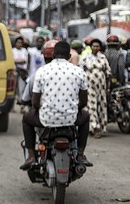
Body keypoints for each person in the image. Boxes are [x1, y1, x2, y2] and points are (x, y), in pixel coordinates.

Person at [20, 41, 92, 170]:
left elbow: (35, 102)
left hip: (46, 120)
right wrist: (74, 109)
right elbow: (84, 102)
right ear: (69, 56)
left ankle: (31, 156)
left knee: (26, 118)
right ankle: (80, 154)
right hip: (72, 119)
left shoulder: (41, 71)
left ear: (53, 55)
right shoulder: (79, 71)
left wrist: (42, 109)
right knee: (86, 117)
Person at [80, 38, 111, 138]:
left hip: (102, 86)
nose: (95, 48)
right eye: (94, 46)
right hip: (89, 86)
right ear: (91, 47)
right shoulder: (85, 57)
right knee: (91, 106)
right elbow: (80, 71)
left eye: (97, 46)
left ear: (99, 48)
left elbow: (108, 72)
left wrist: (108, 86)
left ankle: (102, 127)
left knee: (102, 106)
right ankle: (94, 127)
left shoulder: (103, 57)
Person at [12, 36, 28, 106]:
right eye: (18, 42)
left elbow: (25, 61)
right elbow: (12, 61)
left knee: (21, 88)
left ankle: (21, 105)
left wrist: (17, 62)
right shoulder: (12, 51)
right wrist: (19, 62)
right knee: (13, 89)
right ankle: (12, 106)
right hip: (14, 72)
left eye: (21, 43)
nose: (19, 44)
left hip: (22, 72)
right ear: (15, 43)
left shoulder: (24, 50)